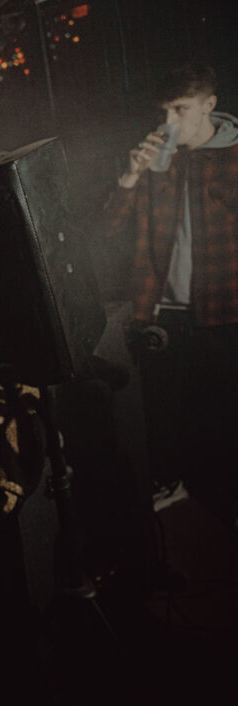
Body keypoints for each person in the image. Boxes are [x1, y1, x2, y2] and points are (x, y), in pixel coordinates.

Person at [104, 62, 238, 528]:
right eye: (165, 112)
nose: (171, 123)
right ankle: (181, 491)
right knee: (170, 418)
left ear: (209, 106)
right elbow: (109, 231)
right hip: (165, 314)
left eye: (181, 110)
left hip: (225, 312)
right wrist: (129, 176)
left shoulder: (233, 156)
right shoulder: (159, 160)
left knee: (225, 420)